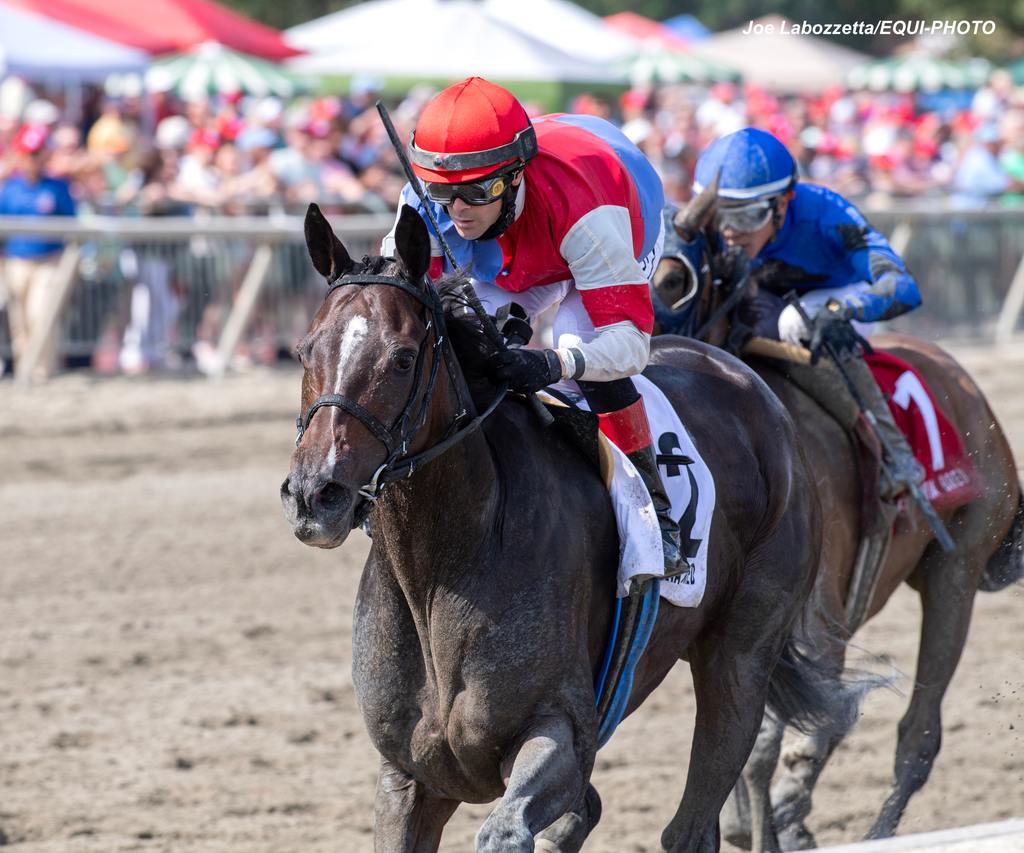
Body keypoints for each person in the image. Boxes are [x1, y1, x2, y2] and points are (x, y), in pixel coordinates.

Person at [381, 77, 682, 577]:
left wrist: (552, 363)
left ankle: (655, 509)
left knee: (574, 339)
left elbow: (631, 345)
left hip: (617, 214)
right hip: (516, 245)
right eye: (442, 192)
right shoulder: (426, 199)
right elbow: (402, 311)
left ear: (515, 176)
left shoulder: (587, 210)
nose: (456, 211)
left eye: (475, 192)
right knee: (462, 336)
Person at [659, 126, 924, 499]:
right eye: (721, 217)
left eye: (747, 217)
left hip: (833, 296)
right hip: (764, 294)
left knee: (794, 323)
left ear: (783, 202)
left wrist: (843, 309)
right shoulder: (714, 226)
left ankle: (893, 451)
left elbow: (903, 287)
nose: (731, 232)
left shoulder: (829, 216)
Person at [0, 124, 76, 381]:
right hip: (15, 261)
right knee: (19, 320)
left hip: (49, 260)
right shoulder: (10, 188)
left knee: (40, 313)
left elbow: (72, 223)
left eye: (37, 153)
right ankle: (25, 370)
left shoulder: (57, 187)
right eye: (29, 153)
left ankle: (43, 370)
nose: (33, 159)